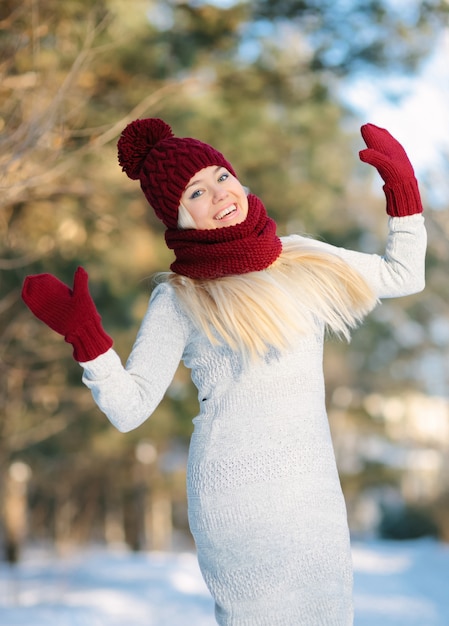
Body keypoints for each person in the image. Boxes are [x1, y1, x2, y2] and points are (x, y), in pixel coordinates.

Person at [22, 119, 426, 625]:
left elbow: (403, 275)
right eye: (196, 191)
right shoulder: (179, 296)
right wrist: (89, 341)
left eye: (220, 176)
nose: (218, 193)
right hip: (236, 498)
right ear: (179, 216)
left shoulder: (298, 256)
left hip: (312, 491)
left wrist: (403, 190)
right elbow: (130, 409)